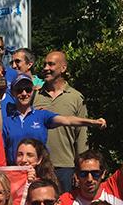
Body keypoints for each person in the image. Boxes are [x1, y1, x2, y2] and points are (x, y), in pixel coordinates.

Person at [3, 74, 107, 166]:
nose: (24, 93)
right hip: (16, 170)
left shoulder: (42, 115)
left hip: (40, 170)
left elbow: (67, 120)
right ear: (13, 92)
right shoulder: (7, 120)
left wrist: (93, 122)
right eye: (19, 90)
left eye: (28, 89)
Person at [32, 50, 90, 192]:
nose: (46, 68)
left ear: (63, 68)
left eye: (51, 64)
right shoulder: (34, 96)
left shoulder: (76, 98)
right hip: (38, 166)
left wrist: (81, 168)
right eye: (44, 64)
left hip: (66, 167)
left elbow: (82, 136)